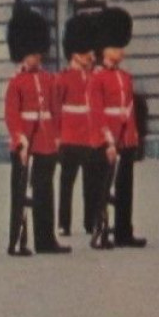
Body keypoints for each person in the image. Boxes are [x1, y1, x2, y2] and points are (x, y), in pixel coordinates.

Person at [3, 6, 67, 255]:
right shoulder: (16, 82)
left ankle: (45, 239)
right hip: (25, 142)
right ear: (21, 53)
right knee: (21, 195)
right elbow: (11, 115)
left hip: (45, 142)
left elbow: (55, 109)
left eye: (38, 52)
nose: (36, 57)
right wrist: (19, 139)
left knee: (45, 193)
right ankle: (16, 240)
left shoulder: (48, 79)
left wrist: (57, 136)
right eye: (31, 53)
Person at [89, 7, 147, 248]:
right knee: (103, 188)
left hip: (126, 138)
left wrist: (132, 138)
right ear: (105, 49)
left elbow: (129, 110)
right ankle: (100, 230)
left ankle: (124, 231)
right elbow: (97, 112)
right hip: (108, 138)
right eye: (116, 46)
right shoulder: (97, 78)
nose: (121, 51)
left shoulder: (125, 77)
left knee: (125, 187)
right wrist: (108, 141)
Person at [54, 13, 102, 239]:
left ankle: (90, 221)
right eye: (86, 53)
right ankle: (63, 223)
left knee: (90, 183)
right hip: (69, 137)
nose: (91, 56)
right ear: (75, 53)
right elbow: (56, 108)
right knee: (66, 183)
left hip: (89, 137)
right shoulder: (63, 79)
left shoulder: (94, 76)